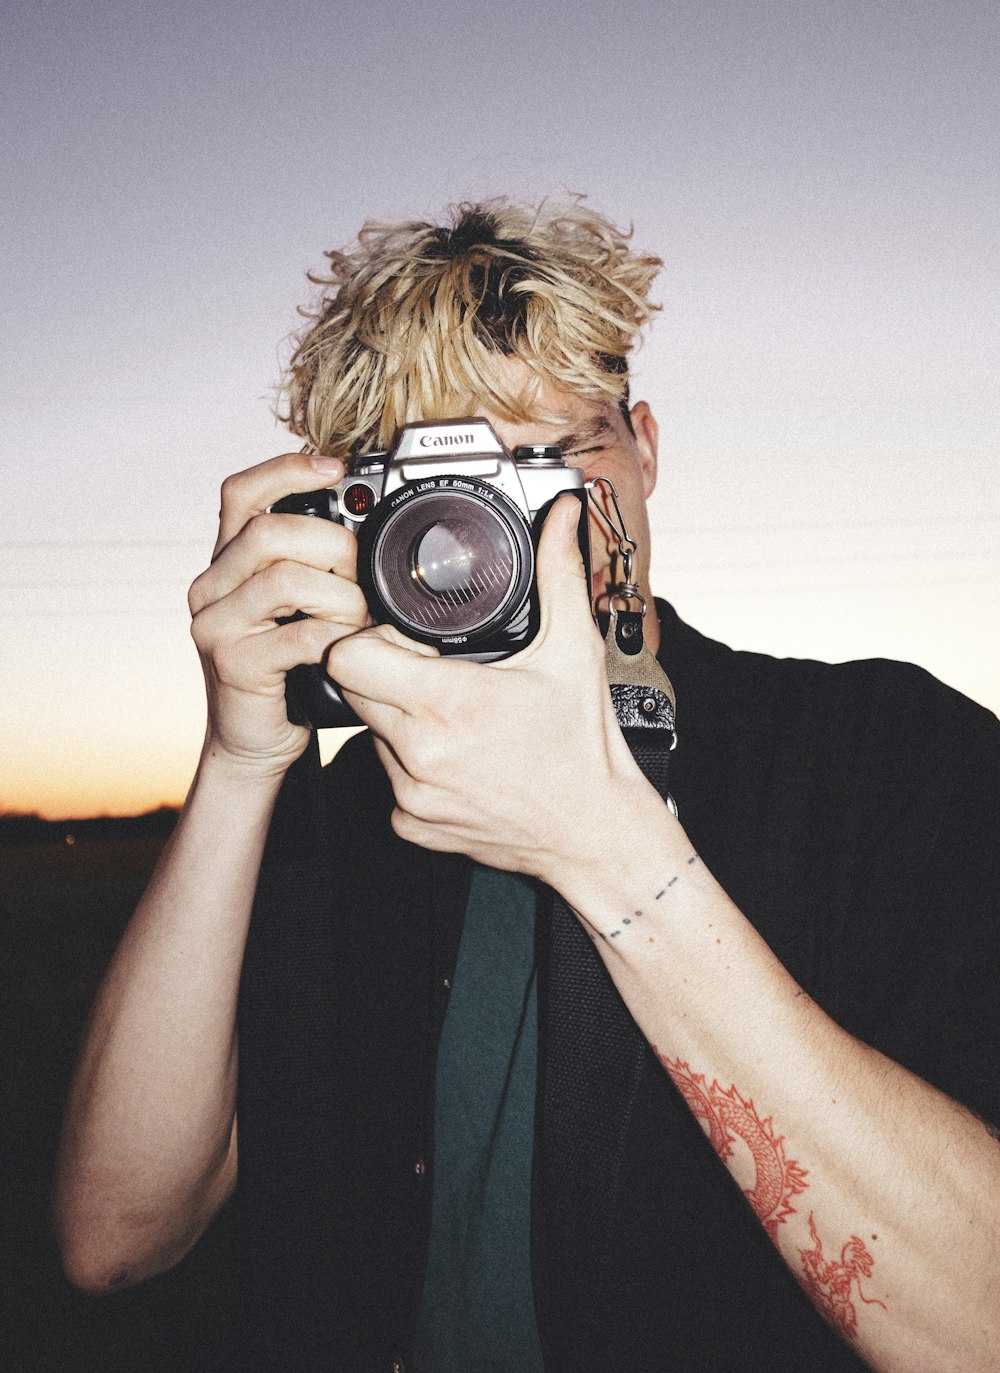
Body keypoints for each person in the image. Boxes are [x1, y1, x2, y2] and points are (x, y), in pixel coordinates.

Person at [55, 199, 1000, 1373]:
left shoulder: (880, 756)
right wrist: (245, 758)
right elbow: (115, 1241)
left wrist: (607, 846)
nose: (530, 521)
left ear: (646, 443)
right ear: (361, 515)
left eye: (560, 452)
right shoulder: (350, 815)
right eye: (454, 479)